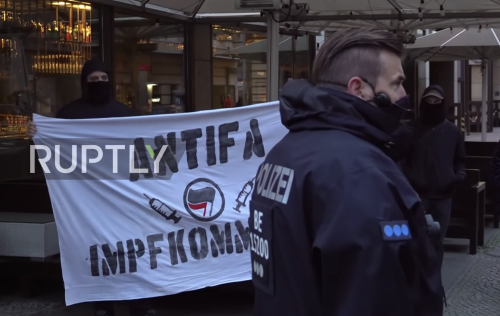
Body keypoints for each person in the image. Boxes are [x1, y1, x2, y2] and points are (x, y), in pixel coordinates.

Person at [248, 27, 444, 316]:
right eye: (397, 83)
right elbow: (374, 297)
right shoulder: (359, 172)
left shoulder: (286, 150)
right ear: (359, 88)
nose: (404, 94)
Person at [27, 58, 156, 316]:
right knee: (97, 251)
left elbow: (145, 153)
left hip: (123, 197)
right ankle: (102, 304)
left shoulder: (125, 114)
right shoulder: (68, 115)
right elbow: (51, 155)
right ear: (84, 82)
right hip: (87, 199)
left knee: (132, 249)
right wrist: (36, 136)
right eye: (93, 80)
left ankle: (140, 303)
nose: (99, 84)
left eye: (103, 79)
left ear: (110, 81)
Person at [403, 85, 466, 269]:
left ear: (442, 102)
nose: (432, 104)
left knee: (438, 242)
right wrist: (411, 177)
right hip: (416, 195)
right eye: (429, 100)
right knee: (416, 239)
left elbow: (460, 160)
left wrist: (457, 177)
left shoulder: (452, 131)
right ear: (423, 102)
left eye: (436, 101)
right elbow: (401, 160)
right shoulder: (411, 129)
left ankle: (434, 284)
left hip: (443, 196)